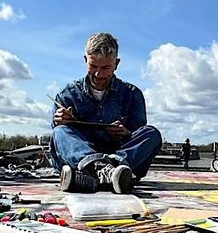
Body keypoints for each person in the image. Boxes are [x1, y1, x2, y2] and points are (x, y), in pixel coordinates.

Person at [50, 33, 163, 193]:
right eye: (93, 66)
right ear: (85, 60)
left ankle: (93, 177)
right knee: (59, 131)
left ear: (116, 64)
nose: (98, 74)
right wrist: (59, 121)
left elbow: (138, 135)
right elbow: (58, 141)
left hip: (120, 155)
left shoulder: (132, 94)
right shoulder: (66, 95)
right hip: (81, 160)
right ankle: (105, 172)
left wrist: (125, 133)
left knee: (152, 134)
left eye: (105, 68)